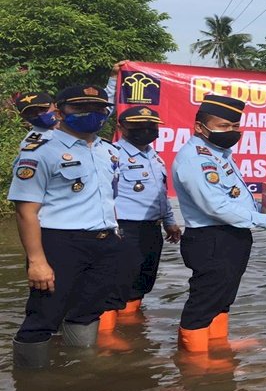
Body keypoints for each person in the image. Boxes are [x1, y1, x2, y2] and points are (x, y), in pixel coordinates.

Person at [173, 94, 266, 359]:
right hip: (211, 238)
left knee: (222, 297)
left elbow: (234, 198)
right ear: (200, 126)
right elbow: (215, 207)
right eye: (223, 126)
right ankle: (195, 362)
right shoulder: (196, 158)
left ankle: (217, 346)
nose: (231, 131)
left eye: (235, 126)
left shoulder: (220, 154)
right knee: (204, 301)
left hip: (230, 236)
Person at [8, 85, 121, 368]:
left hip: (104, 241)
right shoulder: (40, 151)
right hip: (59, 244)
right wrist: (37, 261)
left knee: (88, 311)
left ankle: (78, 373)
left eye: (97, 108)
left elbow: (108, 198)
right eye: (80, 108)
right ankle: (32, 383)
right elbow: (26, 211)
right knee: (43, 317)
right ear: (60, 111)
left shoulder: (108, 151)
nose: (91, 114)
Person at [110, 106, 182, 320]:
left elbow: (160, 192)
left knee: (142, 281)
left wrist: (169, 221)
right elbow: (103, 195)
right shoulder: (113, 155)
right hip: (123, 229)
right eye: (138, 125)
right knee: (117, 284)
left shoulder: (154, 157)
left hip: (151, 228)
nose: (146, 129)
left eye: (151, 126)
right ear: (121, 127)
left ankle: (131, 329)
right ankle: (106, 338)